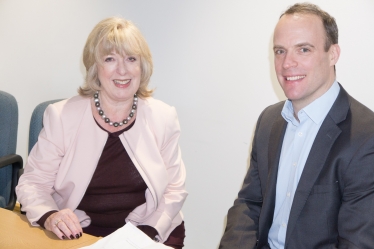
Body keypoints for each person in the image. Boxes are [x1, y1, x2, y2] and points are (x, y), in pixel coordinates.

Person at [16, 17, 187, 249]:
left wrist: (145, 233)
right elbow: (34, 183)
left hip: (149, 229)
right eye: (110, 59)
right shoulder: (62, 116)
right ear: (95, 68)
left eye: (131, 59)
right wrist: (50, 216)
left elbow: (174, 190)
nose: (122, 70)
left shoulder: (163, 117)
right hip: (80, 231)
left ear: (142, 66)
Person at [219, 3, 374, 249]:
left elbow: (357, 243)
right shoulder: (268, 121)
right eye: (280, 51)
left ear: (333, 54)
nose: (287, 63)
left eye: (303, 49)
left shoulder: (366, 137)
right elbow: (249, 204)